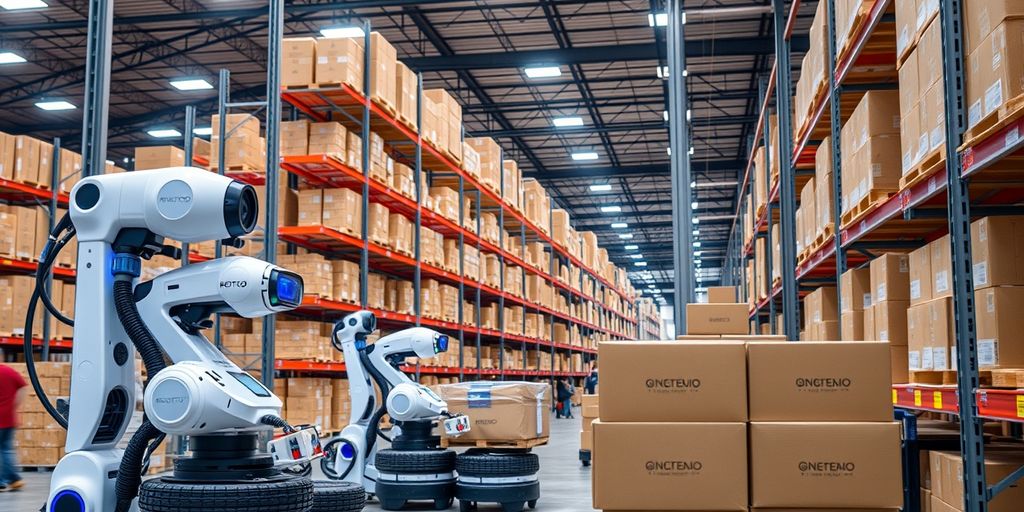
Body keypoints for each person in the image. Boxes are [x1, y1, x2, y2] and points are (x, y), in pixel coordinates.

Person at [0, 363, 27, 492]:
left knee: (4, 450)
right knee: (6, 449)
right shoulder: (9, 371)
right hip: (9, 418)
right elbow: (23, 387)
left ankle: (3, 481)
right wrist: (14, 405)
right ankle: (14, 479)